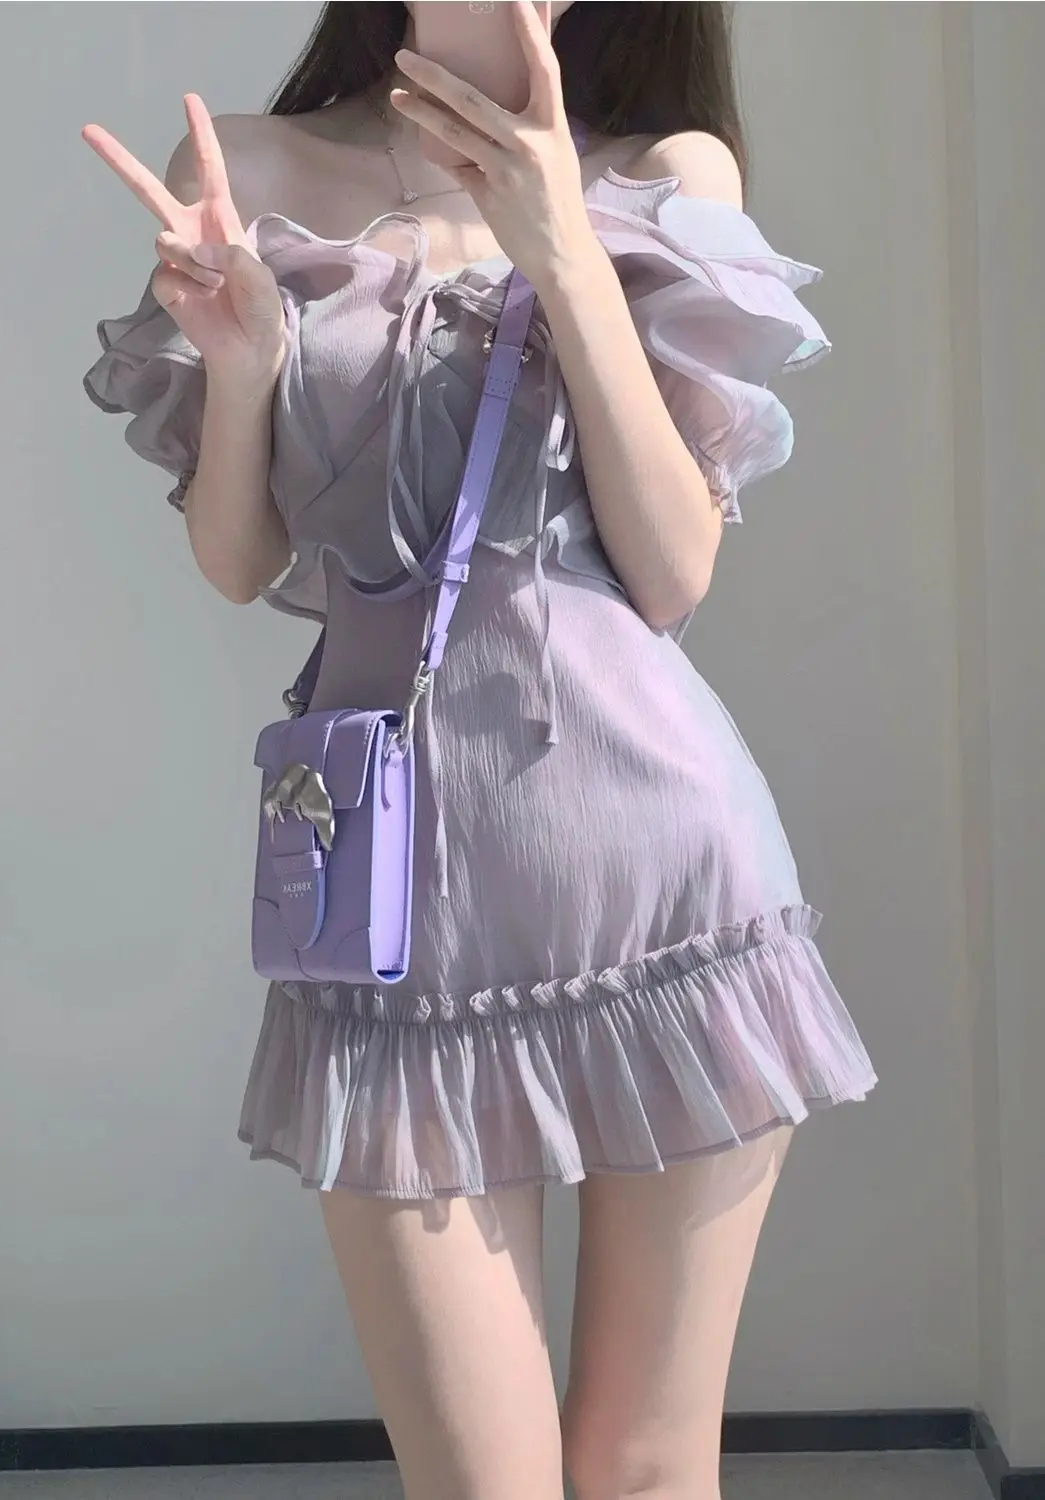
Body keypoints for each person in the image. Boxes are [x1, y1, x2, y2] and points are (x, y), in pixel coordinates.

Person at [82, 3, 877, 1497]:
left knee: (646, 1470)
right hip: (394, 929)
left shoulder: (669, 174)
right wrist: (242, 365)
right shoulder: (252, 168)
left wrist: (561, 242)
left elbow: (674, 573)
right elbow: (241, 561)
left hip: (668, 896)